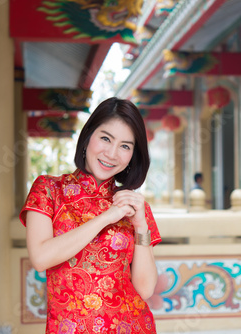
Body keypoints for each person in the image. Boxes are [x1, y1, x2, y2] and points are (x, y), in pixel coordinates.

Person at [20, 97, 162, 334]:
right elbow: (41, 257)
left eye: (125, 146)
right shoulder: (48, 189)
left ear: (132, 156)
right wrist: (108, 216)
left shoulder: (134, 206)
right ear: (87, 137)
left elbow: (145, 289)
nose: (112, 153)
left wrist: (140, 226)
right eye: (105, 138)